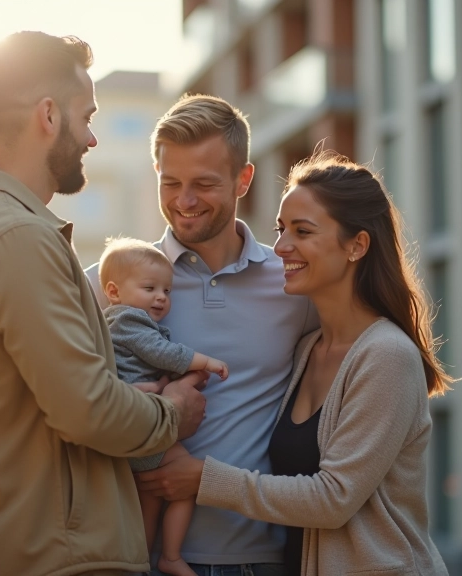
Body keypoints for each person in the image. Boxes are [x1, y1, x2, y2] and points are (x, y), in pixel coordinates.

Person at [0, 32, 208, 576]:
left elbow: (50, 398)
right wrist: (172, 413)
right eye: (87, 117)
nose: (92, 138)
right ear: (49, 115)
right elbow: (87, 409)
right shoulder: (16, 237)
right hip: (54, 560)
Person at [175, 151, 453, 576]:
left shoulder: (387, 355)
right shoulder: (307, 348)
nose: (281, 247)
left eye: (302, 231)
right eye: (281, 229)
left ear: (357, 245)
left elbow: (334, 498)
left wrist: (202, 478)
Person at [86, 94, 319, 576]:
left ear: (243, 179)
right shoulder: (107, 286)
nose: (184, 201)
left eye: (204, 184)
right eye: (170, 182)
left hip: (262, 560)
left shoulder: (294, 284)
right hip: (139, 559)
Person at [98, 237, 229, 576]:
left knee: (151, 498)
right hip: (145, 425)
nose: (161, 297)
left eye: (167, 291)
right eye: (150, 288)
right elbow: (163, 354)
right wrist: (206, 362)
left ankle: (140, 561)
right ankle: (170, 556)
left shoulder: (117, 324)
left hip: (133, 428)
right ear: (113, 292)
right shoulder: (128, 320)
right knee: (187, 481)